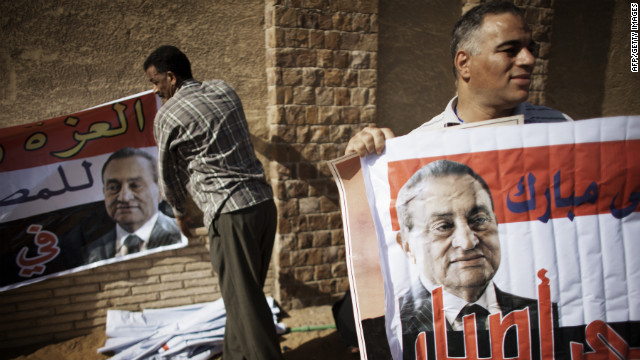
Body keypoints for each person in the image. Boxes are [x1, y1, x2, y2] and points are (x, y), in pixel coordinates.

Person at [143, 45, 283, 360]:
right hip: (263, 205)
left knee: (245, 302)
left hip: (229, 215)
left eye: (155, 83)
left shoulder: (168, 115)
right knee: (241, 298)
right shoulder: (224, 89)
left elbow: (169, 176)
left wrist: (179, 213)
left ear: (171, 77)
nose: (154, 90)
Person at [345, 1, 572, 158]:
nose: (529, 59)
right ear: (464, 63)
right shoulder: (420, 148)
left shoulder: (562, 130)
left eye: (530, 49)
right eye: (510, 50)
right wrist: (361, 165)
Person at [395, 159, 556, 359]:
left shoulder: (548, 316)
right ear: (407, 245)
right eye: (443, 226)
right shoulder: (389, 328)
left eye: (479, 219)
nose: (467, 241)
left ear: (496, 224)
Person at [84, 147, 184, 263]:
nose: (124, 197)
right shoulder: (94, 251)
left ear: (159, 191)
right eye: (113, 188)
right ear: (104, 193)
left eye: (135, 185)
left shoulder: (179, 234)